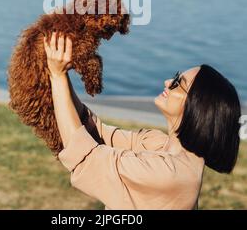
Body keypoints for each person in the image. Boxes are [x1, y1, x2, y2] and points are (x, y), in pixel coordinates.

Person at [44, 31, 241, 210]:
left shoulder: (171, 175)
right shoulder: (160, 145)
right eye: (174, 77)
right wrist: (63, 71)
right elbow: (98, 132)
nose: (167, 83)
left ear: (198, 108)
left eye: (177, 83)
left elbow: (85, 158)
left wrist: (57, 75)